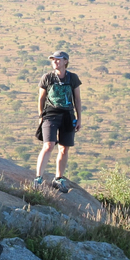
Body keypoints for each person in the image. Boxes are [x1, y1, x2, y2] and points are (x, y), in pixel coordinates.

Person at [34, 50, 82, 193]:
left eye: (58, 59)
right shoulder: (47, 78)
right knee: (48, 145)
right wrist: (41, 116)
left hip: (68, 116)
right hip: (50, 115)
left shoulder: (72, 78)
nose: (55, 62)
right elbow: (41, 98)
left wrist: (79, 118)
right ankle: (38, 178)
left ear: (65, 61)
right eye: (53, 60)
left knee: (64, 148)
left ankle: (58, 178)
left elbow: (77, 99)